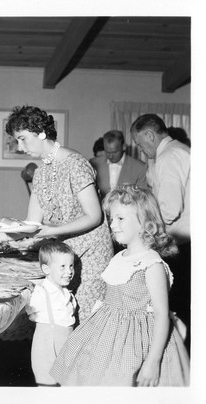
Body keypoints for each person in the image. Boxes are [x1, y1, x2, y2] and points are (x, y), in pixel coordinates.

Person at [0, 106, 113, 321]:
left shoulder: (76, 164)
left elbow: (94, 216)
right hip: (64, 256)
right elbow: (31, 224)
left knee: (86, 320)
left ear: (42, 133)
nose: (20, 146)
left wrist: (52, 230)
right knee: (64, 317)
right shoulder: (41, 173)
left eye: (23, 138)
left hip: (92, 254)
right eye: (17, 140)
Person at [50, 185, 190, 386]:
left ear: (145, 223)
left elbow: (161, 314)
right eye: (111, 218)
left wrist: (152, 361)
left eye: (120, 218)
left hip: (139, 343)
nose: (113, 224)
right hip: (109, 338)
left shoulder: (152, 264)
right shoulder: (118, 258)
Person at [130, 114, 190, 349]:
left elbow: (168, 210)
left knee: (176, 308)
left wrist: (142, 229)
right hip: (187, 244)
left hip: (181, 246)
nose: (140, 149)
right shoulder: (179, 150)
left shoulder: (169, 156)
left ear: (150, 135)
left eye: (138, 143)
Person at [25, 239, 77, 386]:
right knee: (47, 382)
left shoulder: (67, 293)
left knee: (66, 381)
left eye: (71, 266)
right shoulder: (42, 292)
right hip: (47, 344)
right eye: (62, 267)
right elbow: (32, 312)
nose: (69, 271)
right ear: (47, 269)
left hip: (65, 341)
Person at [90, 130, 147, 199]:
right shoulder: (94, 164)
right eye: (107, 152)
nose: (110, 156)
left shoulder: (140, 168)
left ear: (124, 147)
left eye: (114, 152)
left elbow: (142, 197)